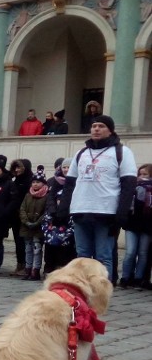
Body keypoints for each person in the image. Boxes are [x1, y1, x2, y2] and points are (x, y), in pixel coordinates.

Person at [58, 114, 137, 279]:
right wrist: (63, 209)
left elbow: (128, 185)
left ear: (110, 130)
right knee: (82, 256)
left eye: (101, 126)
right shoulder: (81, 153)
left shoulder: (122, 151)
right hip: (80, 210)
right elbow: (70, 183)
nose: (96, 129)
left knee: (103, 257)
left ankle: (102, 293)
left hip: (106, 212)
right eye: (94, 126)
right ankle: (83, 292)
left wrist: (121, 213)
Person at [120, 163, 152, 288]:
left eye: (145, 174)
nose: (141, 177)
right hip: (132, 224)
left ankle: (138, 278)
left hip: (147, 226)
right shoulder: (132, 187)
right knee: (130, 252)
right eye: (140, 174)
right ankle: (125, 277)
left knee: (143, 253)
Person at [43, 158, 76, 276]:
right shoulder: (54, 181)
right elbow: (50, 197)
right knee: (51, 244)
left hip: (68, 217)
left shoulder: (76, 181)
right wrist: (53, 211)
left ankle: (64, 269)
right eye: (64, 167)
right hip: (54, 217)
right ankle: (49, 267)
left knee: (66, 245)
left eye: (68, 167)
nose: (66, 170)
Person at [19, 171, 48, 280]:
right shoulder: (28, 195)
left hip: (38, 228)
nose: (35, 184)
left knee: (37, 249)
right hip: (27, 227)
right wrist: (26, 221)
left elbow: (46, 212)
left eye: (38, 182)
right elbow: (22, 209)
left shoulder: (46, 196)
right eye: (34, 182)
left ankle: (35, 271)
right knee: (28, 249)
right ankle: (28, 269)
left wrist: (37, 222)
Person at [8, 159, 33, 276]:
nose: (17, 170)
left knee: (26, 242)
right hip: (15, 216)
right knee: (18, 241)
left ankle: (28, 265)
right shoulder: (15, 181)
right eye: (15, 168)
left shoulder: (30, 182)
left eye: (19, 167)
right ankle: (20, 264)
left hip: (26, 216)